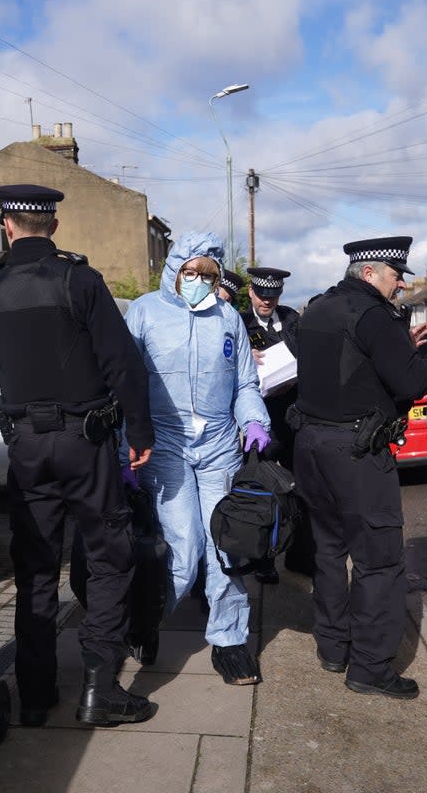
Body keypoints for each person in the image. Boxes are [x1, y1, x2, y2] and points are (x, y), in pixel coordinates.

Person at [0, 184, 157, 728]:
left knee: (33, 568)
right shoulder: (80, 280)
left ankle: (34, 694)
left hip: (26, 446)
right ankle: (101, 691)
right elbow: (123, 364)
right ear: (51, 226)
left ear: (7, 225)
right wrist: (139, 431)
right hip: (86, 441)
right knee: (107, 557)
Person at [291, 236, 427, 700]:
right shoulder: (373, 314)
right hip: (357, 454)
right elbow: (410, 382)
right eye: (395, 274)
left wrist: (402, 346)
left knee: (327, 551)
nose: (401, 283)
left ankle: (332, 646)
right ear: (369, 274)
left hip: (311, 444)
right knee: (379, 561)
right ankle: (369, 668)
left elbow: (350, 365)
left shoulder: (319, 306)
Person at [124, 230, 271, 686]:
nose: (196, 281)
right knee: (183, 547)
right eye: (189, 272)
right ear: (174, 270)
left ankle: (229, 640)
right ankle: (145, 620)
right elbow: (124, 383)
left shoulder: (226, 316)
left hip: (220, 446)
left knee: (226, 544)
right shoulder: (145, 312)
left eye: (205, 275)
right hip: (164, 445)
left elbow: (245, 382)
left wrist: (254, 420)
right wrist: (122, 446)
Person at [240, 267, 307, 582]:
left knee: (300, 489)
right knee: (262, 493)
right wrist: (243, 357)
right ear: (251, 292)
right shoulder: (240, 323)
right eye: (262, 295)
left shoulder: (293, 320)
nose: (267, 301)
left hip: (292, 418)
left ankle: (298, 554)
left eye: (273, 295)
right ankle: (263, 560)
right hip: (260, 422)